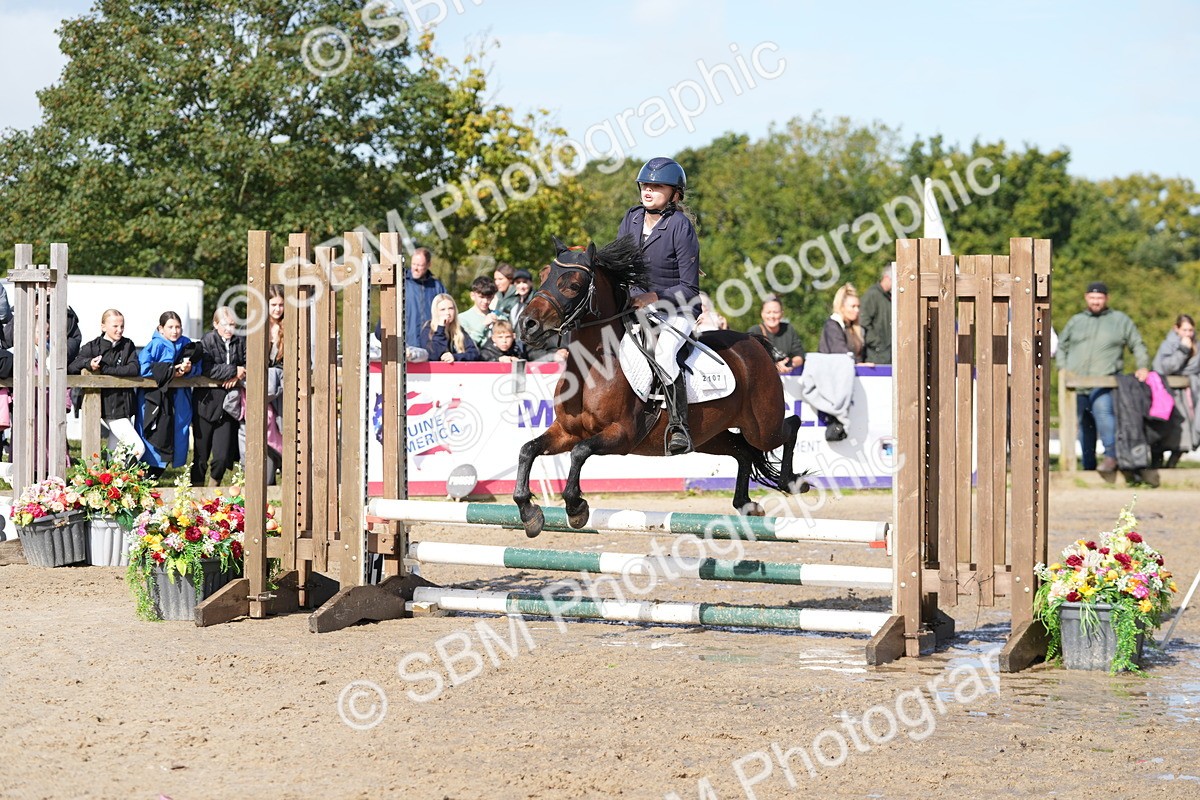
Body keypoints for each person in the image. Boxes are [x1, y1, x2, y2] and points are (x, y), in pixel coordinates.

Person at [616, 156, 701, 455]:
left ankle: (679, 428)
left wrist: (653, 297)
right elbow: (621, 266)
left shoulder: (681, 226)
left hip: (678, 308)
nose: (648, 191)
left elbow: (690, 289)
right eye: (645, 186)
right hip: (637, 305)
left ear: (675, 194)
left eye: (657, 187)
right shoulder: (632, 218)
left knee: (664, 354)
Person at [1056, 281, 1150, 473]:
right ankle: (1088, 466)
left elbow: (1137, 344)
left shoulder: (1119, 320)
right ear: (1086, 298)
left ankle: (1111, 456)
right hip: (1077, 384)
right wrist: (1063, 369)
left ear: (1106, 298)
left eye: (1099, 298)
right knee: (1085, 425)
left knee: (1103, 414)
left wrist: (1142, 366)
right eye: (1092, 297)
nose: (1095, 301)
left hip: (1105, 382)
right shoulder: (1076, 321)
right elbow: (1061, 347)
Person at [67, 309, 143, 459]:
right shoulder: (92, 347)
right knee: (138, 448)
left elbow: (134, 368)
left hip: (125, 405)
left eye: (122, 326)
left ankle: (113, 473)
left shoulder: (128, 345)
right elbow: (72, 367)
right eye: (115, 326)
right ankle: (121, 473)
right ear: (103, 327)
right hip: (106, 406)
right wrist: (88, 363)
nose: (119, 330)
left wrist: (107, 370)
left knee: (115, 453)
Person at [136, 311, 200, 478]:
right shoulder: (155, 345)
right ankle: (146, 479)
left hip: (179, 399)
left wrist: (189, 369)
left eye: (178, 327)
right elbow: (143, 368)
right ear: (161, 328)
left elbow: (199, 367)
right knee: (153, 437)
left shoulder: (186, 344)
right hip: (155, 400)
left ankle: (154, 477)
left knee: (178, 433)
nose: (174, 331)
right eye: (170, 327)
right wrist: (171, 370)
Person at [191, 307, 246, 486]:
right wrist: (234, 370)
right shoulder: (207, 340)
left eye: (232, 325)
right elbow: (207, 369)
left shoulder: (240, 341)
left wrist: (238, 375)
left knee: (222, 457)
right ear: (215, 324)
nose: (229, 329)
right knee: (200, 456)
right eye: (225, 324)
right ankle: (195, 492)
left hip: (229, 405)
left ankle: (213, 490)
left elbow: (248, 363)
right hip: (205, 403)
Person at [1151, 314, 1200, 467]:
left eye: (1190, 330)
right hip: (1166, 395)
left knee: (1186, 433)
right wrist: (1183, 350)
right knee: (1162, 431)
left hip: (1189, 396)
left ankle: (1171, 467)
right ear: (1176, 329)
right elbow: (1166, 368)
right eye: (1184, 330)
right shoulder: (1168, 345)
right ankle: (1155, 467)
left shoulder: (1197, 346)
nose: (1188, 334)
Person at [404, 247, 447, 350]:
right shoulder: (402, 283)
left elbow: (446, 312)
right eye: (413, 264)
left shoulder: (437, 286)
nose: (415, 268)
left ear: (428, 265)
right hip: (407, 343)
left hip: (431, 344)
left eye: (420, 265)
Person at [748, 297, 806, 374]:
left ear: (782, 313)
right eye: (768, 312)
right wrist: (775, 367)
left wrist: (789, 364)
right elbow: (750, 359)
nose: (772, 316)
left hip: (787, 374)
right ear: (762, 314)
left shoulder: (788, 329)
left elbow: (800, 356)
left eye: (775, 312)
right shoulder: (754, 332)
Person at [424, 293, 480, 362]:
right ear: (436, 312)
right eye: (442, 309)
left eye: (450, 308)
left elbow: (474, 354)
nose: (447, 313)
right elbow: (433, 355)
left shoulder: (459, 330)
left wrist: (455, 357)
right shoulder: (428, 329)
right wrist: (440, 328)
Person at [818, 283, 866, 363]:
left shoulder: (857, 328)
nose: (857, 310)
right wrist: (858, 364)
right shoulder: (832, 326)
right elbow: (840, 353)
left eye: (858, 306)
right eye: (853, 306)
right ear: (842, 307)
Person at [860, 263, 892, 364]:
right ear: (886, 277)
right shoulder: (872, 295)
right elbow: (863, 322)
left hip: (887, 353)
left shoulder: (888, 297)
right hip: (876, 355)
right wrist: (878, 344)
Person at [459, 276, 503, 348]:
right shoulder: (462, 318)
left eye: (489, 297)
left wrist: (498, 324)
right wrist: (484, 325)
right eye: (481, 297)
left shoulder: (500, 316)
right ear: (472, 296)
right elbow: (465, 345)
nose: (485, 301)